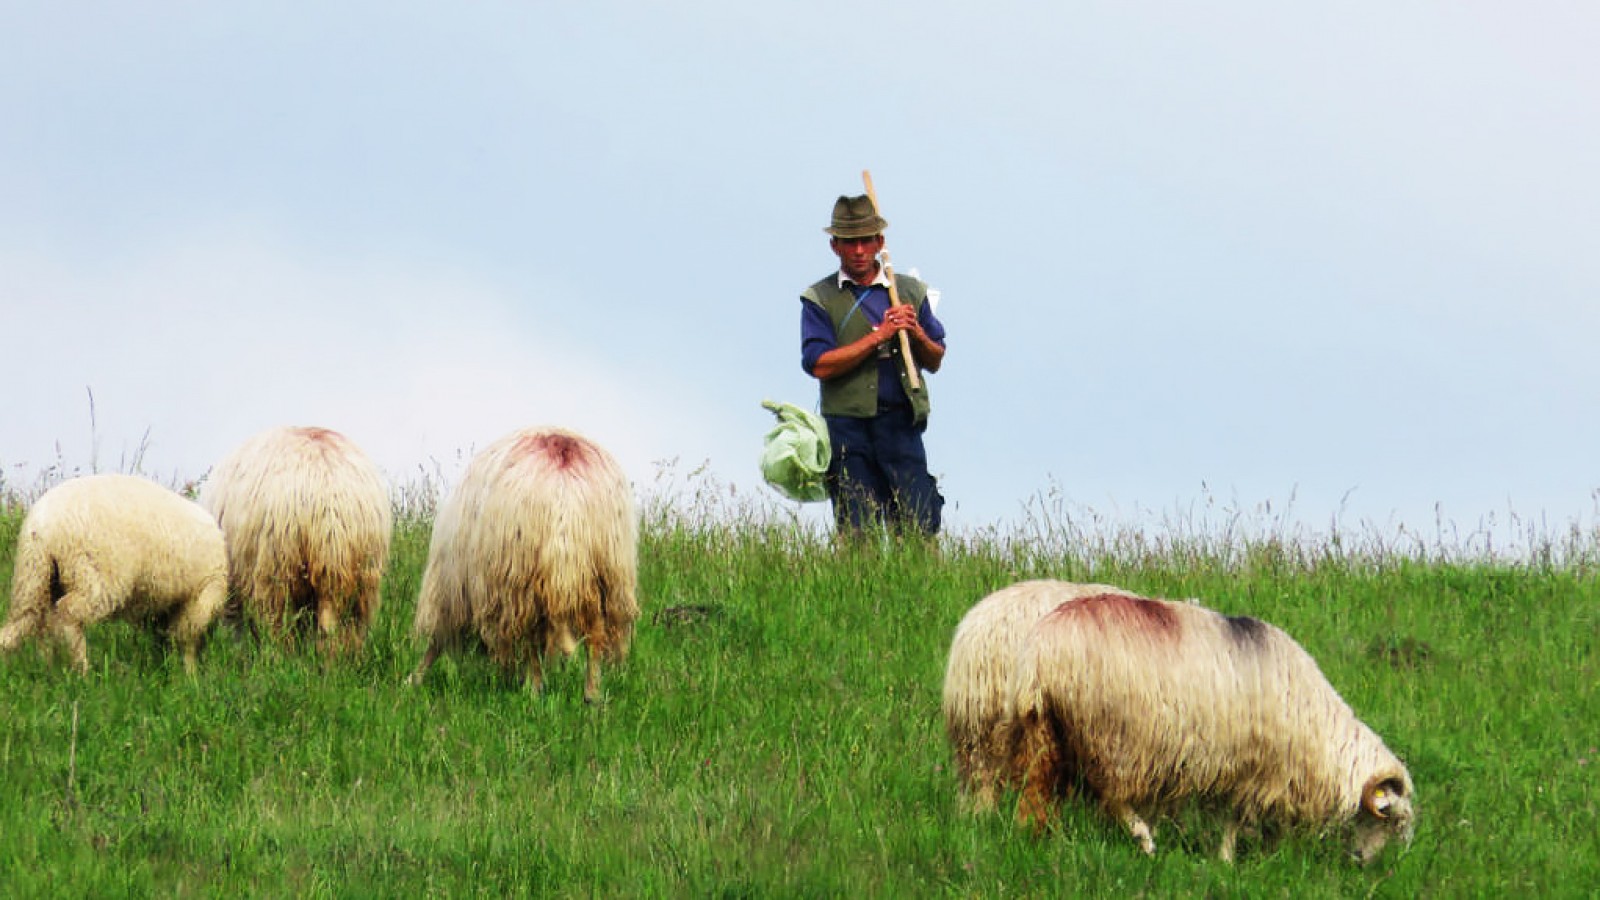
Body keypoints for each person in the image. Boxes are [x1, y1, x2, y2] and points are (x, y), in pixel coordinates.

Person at [799, 194, 947, 537]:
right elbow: (819, 364)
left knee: (917, 519)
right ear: (836, 246)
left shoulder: (910, 291)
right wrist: (879, 336)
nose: (859, 251)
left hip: (900, 420)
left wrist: (914, 332)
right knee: (856, 524)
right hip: (847, 426)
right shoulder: (819, 298)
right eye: (850, 242)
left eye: (866, 241)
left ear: (880, 243)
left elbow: (936, 358)